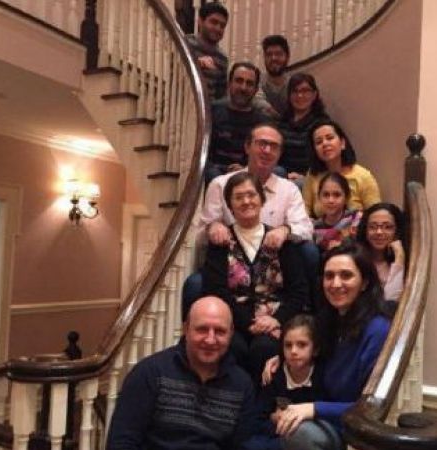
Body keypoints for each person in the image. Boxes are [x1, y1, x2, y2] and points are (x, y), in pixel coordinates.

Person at [262, 244, 392, 450]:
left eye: (346, 275)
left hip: (353, 428)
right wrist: (282, 357)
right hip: (328, 416)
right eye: (329, 276)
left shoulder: (377, 330)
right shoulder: (329, 320)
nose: (335, 283)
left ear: (365, 283)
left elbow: (371, 407)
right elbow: (304, 348)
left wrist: (314, 408)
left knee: (298, 432)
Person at [183, 123, 316, 319]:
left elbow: (306, 229)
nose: (267, 150)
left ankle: (305, 313)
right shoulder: (220, 184)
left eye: (274, 146)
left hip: (275, 270)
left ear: (280, 153)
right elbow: (201, 238)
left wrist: (285, 230)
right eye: (261, 143)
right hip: (230, 268)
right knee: (195, 284)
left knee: (308, 251)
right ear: (247, 147)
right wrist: (213, 226)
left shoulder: (289, 190)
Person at [106, 296, 258, 450]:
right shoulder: (149, 373)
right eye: (202, 329)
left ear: (231, 333)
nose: (210, 340)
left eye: (220, 331)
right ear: (186, 329)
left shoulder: (242, 385)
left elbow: (244, 445)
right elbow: (121, 443)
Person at [202, 172, 307, 381]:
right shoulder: (221, 243)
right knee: (233, 348)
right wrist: (249, 323)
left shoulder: (281, 240)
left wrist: (276, 320)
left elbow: (298, 291)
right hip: (234, 320)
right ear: (229, 206)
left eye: (251, 195)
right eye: (238, 197)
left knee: (264, 349)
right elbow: (216, 291)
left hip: (274, 321)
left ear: (262, 199)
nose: (246, 201)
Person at [250, 314, 326, 450]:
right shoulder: (274, 375)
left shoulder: (322, 376)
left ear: (315, 349)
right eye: (288, 345)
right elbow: (258, 418)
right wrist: (275, 419)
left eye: (302, 345)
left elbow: (325, 418)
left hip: (307, 436)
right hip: (276, 436)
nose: (293, 351)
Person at [206, 62, 270, 184]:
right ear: (229, 84)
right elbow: (202, 151)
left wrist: (246, 170)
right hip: (214, 172)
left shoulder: (263, 122)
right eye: (239, 81)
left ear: (256, 89)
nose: (243, 88)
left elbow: (264, 157)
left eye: (249, 83)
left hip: (249, 175)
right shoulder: (212, 112)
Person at [302, 120, 381, 218]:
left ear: (342, 143)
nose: (325, 144)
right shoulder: (313, 175)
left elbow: (376, 215)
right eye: (319, 142)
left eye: (330, 138)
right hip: (320, 227)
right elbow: (303, 211)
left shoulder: (363, 176)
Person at [278, 73, 330, 187]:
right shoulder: (282, 121)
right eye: (295, 91)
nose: (300, 95)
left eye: (305, 91)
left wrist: (305, 177)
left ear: (314, 94)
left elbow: (326, 160)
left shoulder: (322, 123)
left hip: (310, 177)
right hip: (283, 175)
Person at [355, 203, 406, 303]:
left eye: (387, 227)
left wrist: (399, 259)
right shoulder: (355, 259)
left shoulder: (405, 261)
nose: (379, 232)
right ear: (365, 230)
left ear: (397, 232)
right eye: (373, 227)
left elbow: (391, 301)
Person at [185, 2, 229, 101]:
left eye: (222, 26)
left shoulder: (222, 58)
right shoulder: (186, 43)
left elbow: (220, 95)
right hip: (182, 105)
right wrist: (199, 63)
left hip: (207, 108)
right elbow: (176, 70)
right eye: (214, 22)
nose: (218, 28)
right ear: (200, 21)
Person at [312, 173, 362, 253]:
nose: (331, 200)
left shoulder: (356, 218)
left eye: (337, 195)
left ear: (347, 198)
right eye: (326, 195)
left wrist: (341, 245)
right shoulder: (315, 228)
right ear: (319, 197)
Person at [253, 35, 291, 118]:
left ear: (287, 57)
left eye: (278, 54)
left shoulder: (294, 84)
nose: (273, 58)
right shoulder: (256, 81)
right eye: (269, 54)